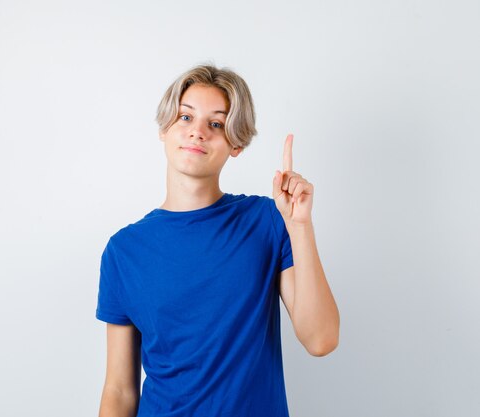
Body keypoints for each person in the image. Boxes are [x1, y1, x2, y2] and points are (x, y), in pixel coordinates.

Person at [95, 64, 340, 417]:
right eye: (185, 118)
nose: (197, 133)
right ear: (164, 128)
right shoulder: (123, 251)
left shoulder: (268, 220)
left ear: (236, 143)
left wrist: (300, 225)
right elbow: (119, 390)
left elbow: (321, 340)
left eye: (216, 124)